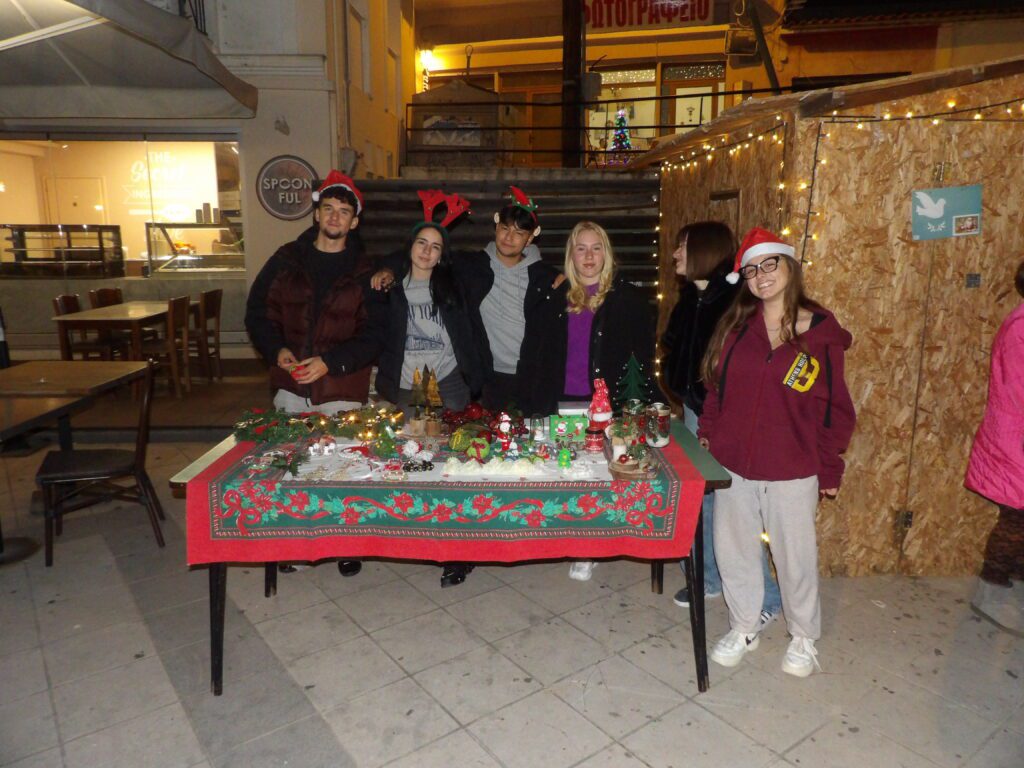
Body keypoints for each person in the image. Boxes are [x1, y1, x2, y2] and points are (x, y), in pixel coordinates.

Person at [698, 227, 856, 677]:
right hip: (734, 465)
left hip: (792, 467)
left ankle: (804, 636)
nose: (761, 275)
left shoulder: (820, 334)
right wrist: (709, 436)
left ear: (789, 266)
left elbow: (835, 407)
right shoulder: (736, 327)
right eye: (751, 270)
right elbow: (716, 391)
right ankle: (744, 625)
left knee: (795, 557)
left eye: (769, 264)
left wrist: (830, 467)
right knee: (734, 551)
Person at [245, 170, 377, 578]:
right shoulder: (286, 260)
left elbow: (375, 334)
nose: (335, 217)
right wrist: (277, 349)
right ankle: (298, 544)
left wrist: (331, 362)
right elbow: (258, 312)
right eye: (328, 209)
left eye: (344, 211)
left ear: (354, 221)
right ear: (317, 214)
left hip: (342, 386)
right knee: (295, 464)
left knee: (344, 467)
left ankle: (345, 543)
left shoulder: (366, 270)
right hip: (292, 384)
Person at [517, 220, 657, 581]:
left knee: (599, 476)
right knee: (568, 472)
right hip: (562, 402)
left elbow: (640, 359)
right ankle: (570, 536)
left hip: (605, 407)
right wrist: (529, 402)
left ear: (606, 253)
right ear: (571, 254)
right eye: (581, 248)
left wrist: (638, 405)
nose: (589, 256)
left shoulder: (627, 299)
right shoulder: (554, 299)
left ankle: (588, 546)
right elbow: (533, 354)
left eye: (596, 248)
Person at [661, 222, 783, 629]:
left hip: (727, 417)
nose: (675, 255)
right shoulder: (691, 299)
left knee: (735, 510)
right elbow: (675, 347)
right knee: (702, 500)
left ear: (704, 251)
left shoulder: (737, 302)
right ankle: (710, 578)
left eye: (682, 246)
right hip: (695, 411)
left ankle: (767, 597)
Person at [372, 186, 558, 412]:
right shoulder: (471, 266)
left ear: (530, 238)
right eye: (505, 228)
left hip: (533, 374)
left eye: (519, 233)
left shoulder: (546, 277)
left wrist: (568, 279)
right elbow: (422, 255)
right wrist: (388, 269)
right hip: (490, 376)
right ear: (496, 226)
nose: (509, 238)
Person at [964, 259, 1024, 636]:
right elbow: (1018, 388)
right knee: (1017, 517)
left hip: (1015, 436)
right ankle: (991, 590)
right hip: (1015, 439)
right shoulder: (1020, 328)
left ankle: (1012, 585)